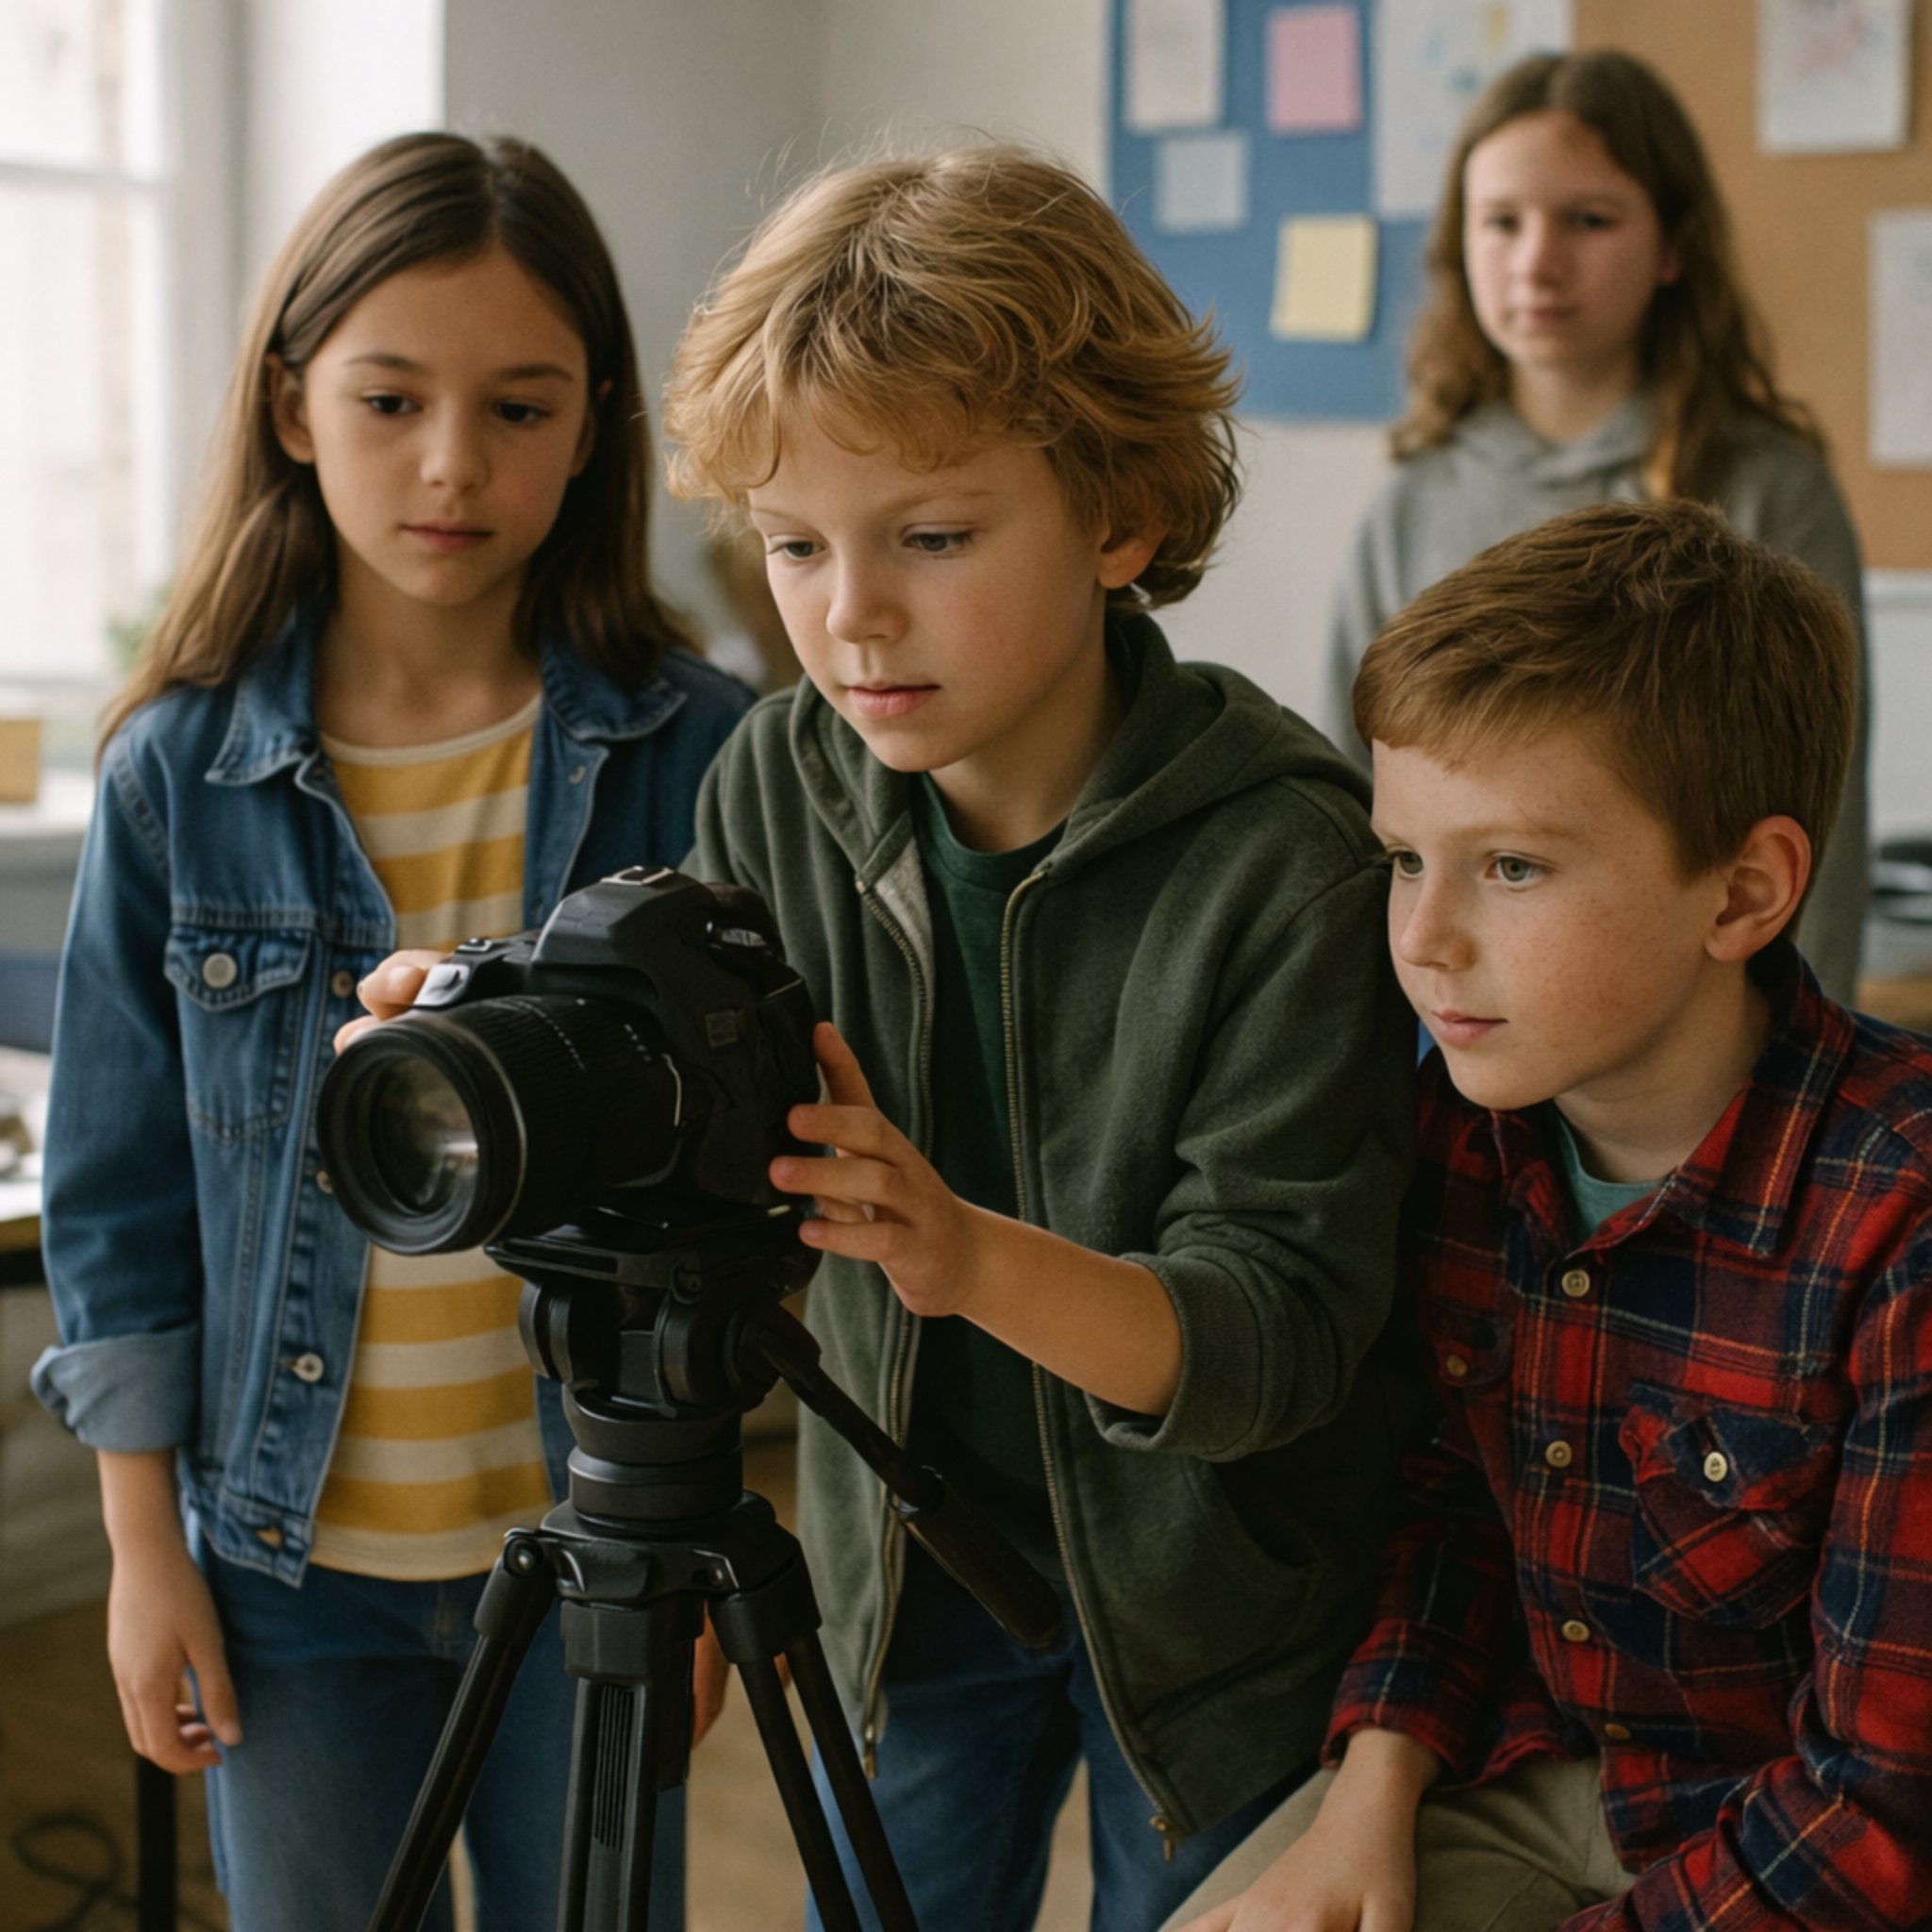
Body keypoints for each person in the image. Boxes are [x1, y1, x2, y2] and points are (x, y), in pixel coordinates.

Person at [347, 140, 1424, 1929]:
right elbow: (702, 1097)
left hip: (1215, 1611)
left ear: (1114, 514)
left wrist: (961, 1253)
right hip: (904, 1574)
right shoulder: (780, 771)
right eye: (791, 544)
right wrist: (513, 1026)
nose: (848, 613)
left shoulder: (1287, 859)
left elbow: (1278, 1336)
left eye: (929, 536)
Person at [30, 132, 751, 1931]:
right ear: (290, 406)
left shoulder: (700, 751)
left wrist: (712, 1534)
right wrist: (142, 1557)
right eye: (390, 398)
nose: (452, 464)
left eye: (519, 406)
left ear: (594, 424)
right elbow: (115, 1205)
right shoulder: (177, 772)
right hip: (286, 1569)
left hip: (599, 1543)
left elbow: (751, 1192)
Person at [1173, 500, 1932, 1932]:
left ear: (1747, 890)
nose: (1423, 937)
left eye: (1510, 867)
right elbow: (1457, 1511)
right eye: (1406, 856)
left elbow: (1884, 1815)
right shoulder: (1465, 1140)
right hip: (1557, 1777)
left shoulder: (1903, 1217)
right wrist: (1370, 1793)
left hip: (1817, 1849)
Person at [1325, 50, 1871, 1004]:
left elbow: (1818, 809)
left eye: (1587, 219)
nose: (1536, 261)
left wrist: (1800, 1045)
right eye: (1500, 222)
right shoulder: (1414, 497)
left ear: (1671, 247)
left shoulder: (1763, 489)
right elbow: (1345, 793)